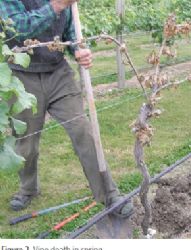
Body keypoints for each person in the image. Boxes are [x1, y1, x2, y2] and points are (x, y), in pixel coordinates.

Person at [0, 0, 133, 218]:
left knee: (83, 130)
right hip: (21, 75)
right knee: (27, 141)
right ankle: (28, 189)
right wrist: (56, 6)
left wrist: (78, 49)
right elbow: (16, 28)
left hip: (58, 73)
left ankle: (109, 194)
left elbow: (72, 33)